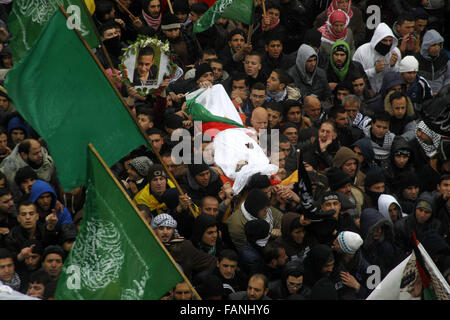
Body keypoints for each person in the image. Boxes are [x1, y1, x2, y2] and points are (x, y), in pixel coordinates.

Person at [151, 213, 217, 280]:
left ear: (173, 230)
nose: (165, 232)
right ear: (155, 230)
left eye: (168, 228)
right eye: (161, 228)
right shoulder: (149, 246)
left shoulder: (184, 246)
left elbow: (211, 262)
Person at [352, 23, 401, 94]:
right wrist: (374, 70)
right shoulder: (362, 51)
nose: (387, 44)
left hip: (388, 93)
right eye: (384, 40)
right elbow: (355, 76)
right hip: (366, 93)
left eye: (390, 41)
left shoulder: (395, 52)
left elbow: (397, 76)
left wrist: (392, 66)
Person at [4, 200, 58, 265]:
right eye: (24, 214)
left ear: (37, 216)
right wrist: (20, 256)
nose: (27, 217)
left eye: (31, 214)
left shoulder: (44, 230)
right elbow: (8, 258)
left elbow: (52, 247)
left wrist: (51, 227)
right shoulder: (12, 236)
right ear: (18, 218)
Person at [360, 208, 400, 279]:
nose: (379, 231)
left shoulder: (386, 247)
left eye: (380, 227)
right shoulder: (360, 247)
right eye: (374, 228)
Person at [331, 231, 371, 298]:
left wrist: (357, 286)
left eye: (337, 242)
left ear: (345, 250)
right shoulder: (335, 254)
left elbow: (375, 295)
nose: (333, 242)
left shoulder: (368, 269)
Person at [415, 29, 450, 94]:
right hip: (422, 97)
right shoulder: (416, 60)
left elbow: (448, 78)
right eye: (433, 45)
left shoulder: (444, 58)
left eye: (439, 45)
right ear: (426, 46)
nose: (437, 48)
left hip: (442, 96)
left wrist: (443, 92)